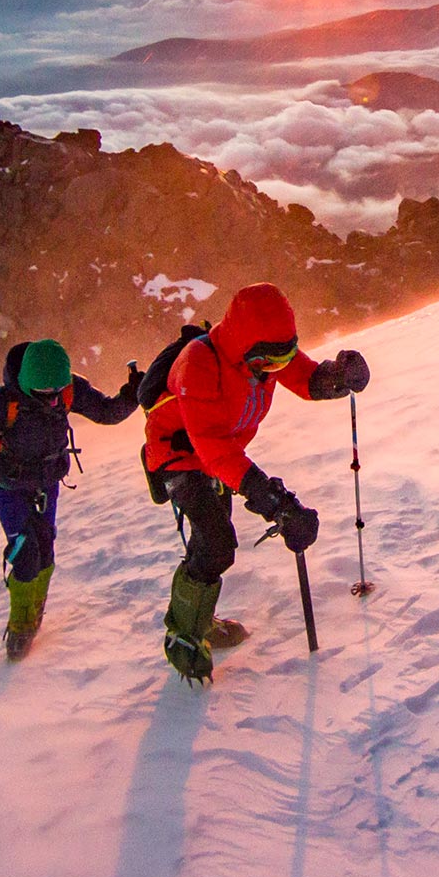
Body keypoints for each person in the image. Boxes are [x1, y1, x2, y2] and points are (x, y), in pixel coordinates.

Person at [140, 283, 371, 681]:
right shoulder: (200, 363)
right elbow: (213, 450)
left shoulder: (267, 353)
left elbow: (305, 377)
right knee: (216, 542)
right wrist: (275, 503)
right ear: (244, 347)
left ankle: (199, 619)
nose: (275, 371)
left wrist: (338, 377)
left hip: (220, 455)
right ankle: (183, 635)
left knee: (210, 540)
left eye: (282, 361)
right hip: (179, 455)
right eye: (268, 364)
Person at [0, 338, 142, 658]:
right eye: (44, 394)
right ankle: (20, 626)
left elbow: (106, 413)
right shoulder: (2, 402)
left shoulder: (68, 387)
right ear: (26, 383)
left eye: (57, 392)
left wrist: (132, 395)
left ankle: (35, 612)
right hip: (8, 485)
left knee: (45, 547)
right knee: (25, 551)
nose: (54, 400)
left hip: (47, 482)